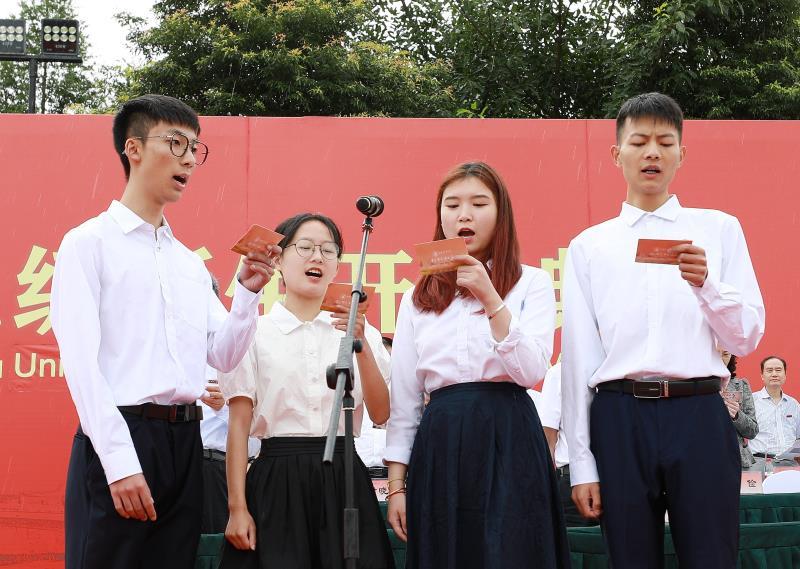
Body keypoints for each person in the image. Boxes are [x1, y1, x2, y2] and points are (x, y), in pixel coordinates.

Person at [51, 94, 279, 569]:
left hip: (185, 443)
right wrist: (119, 462)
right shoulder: (88, 244)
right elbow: (82, 366)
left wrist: (246, 294)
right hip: (122, 435)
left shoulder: (188, 263)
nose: (189, 159)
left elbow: (224, 355)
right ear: (133, 148)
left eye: (195, 148)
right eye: (176, 143)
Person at [562, 92, 765, 568]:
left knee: (712, 555)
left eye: (665, 142)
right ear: (617, 154)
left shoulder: (719, 229)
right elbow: (578, 357)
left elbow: (745, 338)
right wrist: (582, 463)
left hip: (699, 413)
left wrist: (707, 285)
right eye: (639, 142)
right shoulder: (590, 245)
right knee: (630, 557)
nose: (651, 152)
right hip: (619, 415)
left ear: (681, 153)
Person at [385, 161, 570, 569]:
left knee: (513, 551)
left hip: (510, 433)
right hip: (442, 438)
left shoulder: (532, 282)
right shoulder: (417, 297)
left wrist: (491, 299)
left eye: (478, 204)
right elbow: (404, 400)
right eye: (452, 205)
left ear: (501, 213)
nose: (463, 215)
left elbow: (532, 371)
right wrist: (396, 485)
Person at [219, 213, 395, 569]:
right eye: (305, 247)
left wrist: (360, 342)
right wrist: (237, 508)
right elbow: (238, 426)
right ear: (279, 260)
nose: (318, 257)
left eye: (328, 250)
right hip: (277, 479)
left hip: (345, 477)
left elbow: (381, 413)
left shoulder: (362, 332)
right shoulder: (254, 333)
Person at [199, 273, 262, 534]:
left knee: (215, 547)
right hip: (176, 462)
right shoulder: (171, 349)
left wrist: (225, 407)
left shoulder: (237, 348)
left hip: (219, 470)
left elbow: (257, 433)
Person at [532, 362, 596, 527]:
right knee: (575, 540)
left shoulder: (619, 371)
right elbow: (548, 439)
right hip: (572, 481)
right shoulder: (559, 373)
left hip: (616, 478)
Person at [749, 356, 800, 458]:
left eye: (778, 370)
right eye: (769, 370)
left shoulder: (793, 404)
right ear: (762, 375)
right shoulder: (751, 401)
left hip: (790, 462)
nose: (774, 374)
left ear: (785, 374)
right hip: (760, 461)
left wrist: (794, 455)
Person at [718, 348, 758, 468]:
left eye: (725, 354)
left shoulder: (741, 385)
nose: (720, 359)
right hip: (703, 456)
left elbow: (753, 431)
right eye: (715, 354)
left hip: (737, 459)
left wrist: (737, 415)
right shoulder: (694, 386)